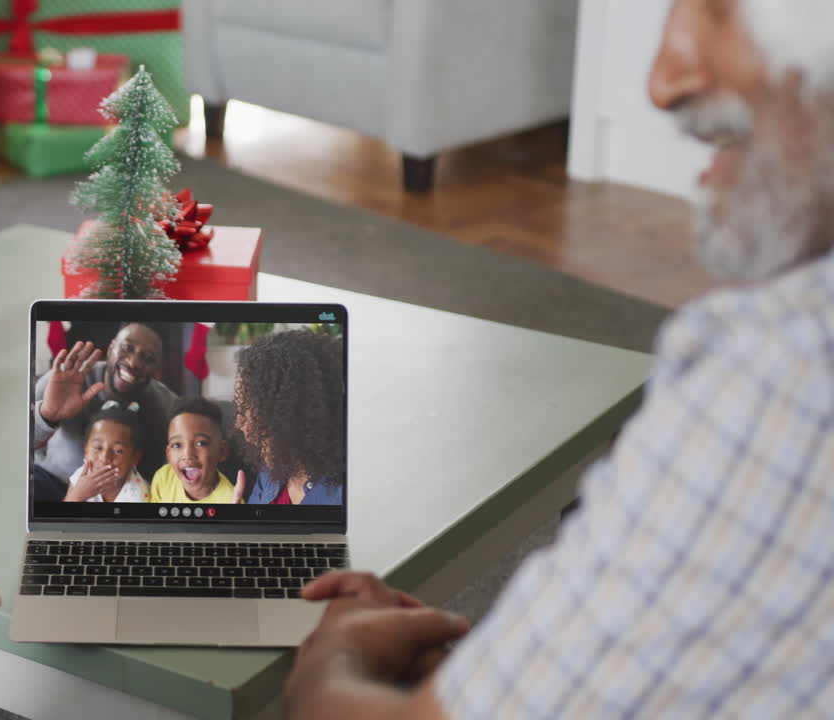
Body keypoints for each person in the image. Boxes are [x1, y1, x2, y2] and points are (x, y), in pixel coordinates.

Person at [286, 1, 834, 717]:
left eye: (722, 6)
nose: (662, 81)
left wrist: (332, 663)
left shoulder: (784, 371)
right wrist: (518, 658)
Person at [31, 322, 175, 502]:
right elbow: (16, 444)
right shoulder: (66, 380)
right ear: (111, 348)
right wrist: (47, 415)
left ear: (157, 370)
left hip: (123, 499)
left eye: (148, 358)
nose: (133, 362)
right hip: (53, 484)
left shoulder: (167, 406)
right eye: (127, 348)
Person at [236, 330, 345, 505]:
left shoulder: (345, 494)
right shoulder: (270, 473)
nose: (240, 425)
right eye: (241, 408)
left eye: (255, 411)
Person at [150, 396, 245, 504]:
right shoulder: (163, 479)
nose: (188, 454)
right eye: (177, 445)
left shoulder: (232, 501)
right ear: (168, 454)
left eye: (200, 443)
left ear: (222, 451)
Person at [63, 401, 151, 503]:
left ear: (135, 458)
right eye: (98, 448)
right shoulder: (81, 478)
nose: (105, 458)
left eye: (118, 451)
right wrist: (76, 496)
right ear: (86, 450)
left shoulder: (138, 496)